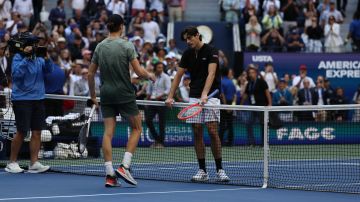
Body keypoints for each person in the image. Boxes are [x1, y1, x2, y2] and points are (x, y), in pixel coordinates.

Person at [88, 14, 155, 187]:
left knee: (108, 133)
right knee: (137, 128)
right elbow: (139, 73)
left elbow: (90, 73)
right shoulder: (127, 45)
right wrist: (150, 75)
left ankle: (110, 175)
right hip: (124, 93)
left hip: (106, 94)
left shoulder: (100, 47)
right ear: (121, 26)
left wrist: (93, 96)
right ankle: (125, 166)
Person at [165, 26, 230, 182]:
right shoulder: (187, 54)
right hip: (195, 97)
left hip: (211, 96)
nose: (188, 42)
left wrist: (205, 94)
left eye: (190, 38)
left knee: (213, 131)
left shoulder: (211, 51)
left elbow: (212, 73)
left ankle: (220, 169)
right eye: (186, 39)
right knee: (197, 131)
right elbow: (178, 76)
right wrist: (170, 96)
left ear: (197, 36)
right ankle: (202, 170)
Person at [5, 32, 53, 173]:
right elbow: (17, 75)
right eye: (33, 44)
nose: (35, 46)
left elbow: (49, 71)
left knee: (37, 132)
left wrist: (47, 58)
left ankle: (34, 163)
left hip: (38, 99)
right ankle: (12, 162)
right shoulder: (18, 58)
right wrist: (26, 58)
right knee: (21, 132)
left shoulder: (39, 58)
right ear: (26, 46)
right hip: (22, 100)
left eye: (36, 44)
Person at [240, 64, 272, 146]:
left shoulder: (261, 82)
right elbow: (245, 95)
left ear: (256, 73)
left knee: (263, 125)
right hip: (253, 107)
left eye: (253, 72)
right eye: (250, 73)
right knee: (248, 123)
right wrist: (240, 105)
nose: (251, 74)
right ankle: (252, 142)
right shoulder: (249, 84)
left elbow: (267, 92)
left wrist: (270, 103)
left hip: (262, 107)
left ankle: (264, 143)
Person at [145, 62, 171, 148]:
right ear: (155, 68)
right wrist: (147, 101)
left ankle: (161, 143)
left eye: (161, 67)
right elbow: (149, 90)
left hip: (162, 102)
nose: (160, 69)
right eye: (159, 67)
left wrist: (159, 97)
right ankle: (158, 139)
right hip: (152, 102)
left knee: (161, 123)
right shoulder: (151, 77)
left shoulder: (166, 77)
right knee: (148, 120)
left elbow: (168, 90)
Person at [219, 68, 236, 146]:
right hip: (230, 104)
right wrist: (231, 106)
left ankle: (220, 142)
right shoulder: (232, 82)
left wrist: (225, 106)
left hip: (224, 104)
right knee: (230, 124)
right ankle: (230, 142)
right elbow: (234, 95)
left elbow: (222, 95)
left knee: (222, 123)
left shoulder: (222, 82)